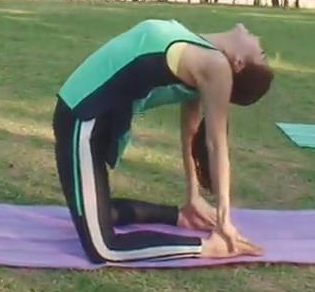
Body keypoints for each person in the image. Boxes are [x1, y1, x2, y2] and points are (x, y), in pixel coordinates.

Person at [52, 18, 275, 265]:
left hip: (86, 121)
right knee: (99, 217)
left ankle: (208, 247)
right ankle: (183, 217)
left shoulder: (216, 65)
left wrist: (224, 221)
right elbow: (191, 132)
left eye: (261, 53)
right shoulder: (200, 49)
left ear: (239, 63)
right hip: (84, 119)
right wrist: (193, 199)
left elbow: (215, 143)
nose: (259, 40)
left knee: (103, 248)